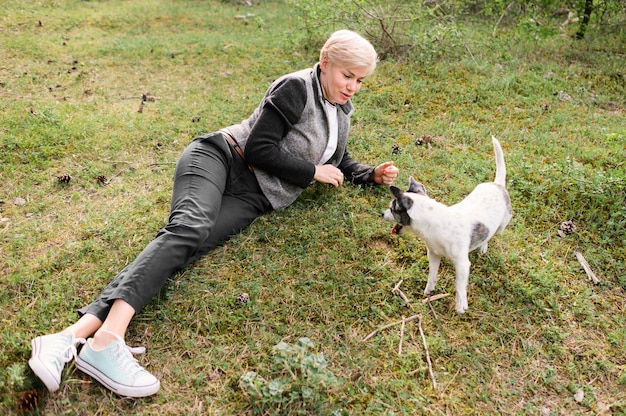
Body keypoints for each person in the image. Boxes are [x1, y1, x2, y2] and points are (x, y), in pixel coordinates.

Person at [28, 29, 399, 398]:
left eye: (360, 80)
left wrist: (369, 174)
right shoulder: (296, 88)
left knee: (187, 244)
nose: (352, 87)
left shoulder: (341, 108)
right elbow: (259, 147)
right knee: (189, 228)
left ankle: (68, 337)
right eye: (347, 76)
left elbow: (334, 156)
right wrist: (311, 173)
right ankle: (107, 340)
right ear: (325, 64)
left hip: (255, 196)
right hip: (222, 157)